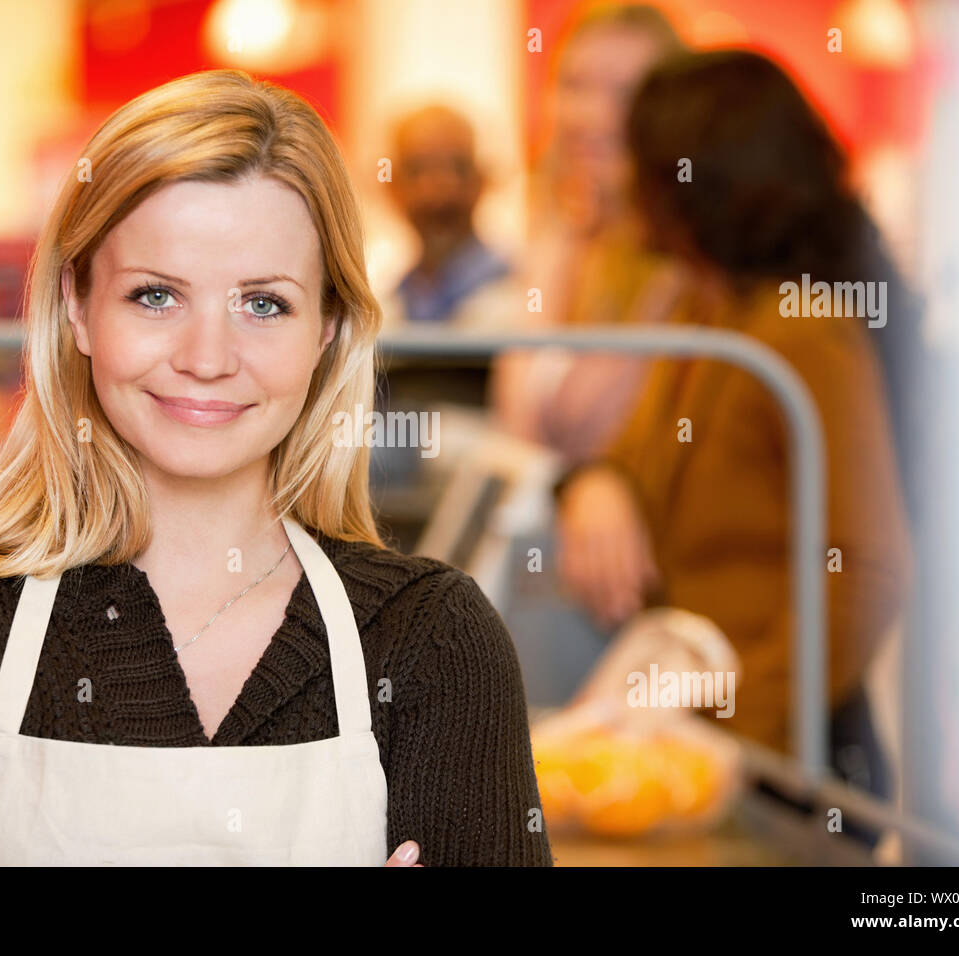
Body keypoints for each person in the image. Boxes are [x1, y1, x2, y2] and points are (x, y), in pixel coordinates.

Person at [0, 70, 552, 867]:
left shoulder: (433, 643)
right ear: (77, 306)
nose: (207, 358)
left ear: (328, 329)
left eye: (263, 303)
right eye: (156, 296)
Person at [555, 51, 915, 824]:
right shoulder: (710, 313)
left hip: (786, 765)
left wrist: (735, 735)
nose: (625, 185)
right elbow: (649, 453)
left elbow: (868, 571)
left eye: (643, 163)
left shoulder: (803, 331)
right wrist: (597, 482)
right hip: (710, 740)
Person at [493, 1, 688, 464]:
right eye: (574, 86)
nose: (591, 115)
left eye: (626, 93)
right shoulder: (553, 244)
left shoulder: (686, 270)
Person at [381, 104, 518, 328]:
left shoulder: (518, 295)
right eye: (417, 170)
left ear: (481, 180)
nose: (439, 192)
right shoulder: (385, 302)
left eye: (458, 168)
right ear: (393, 187)